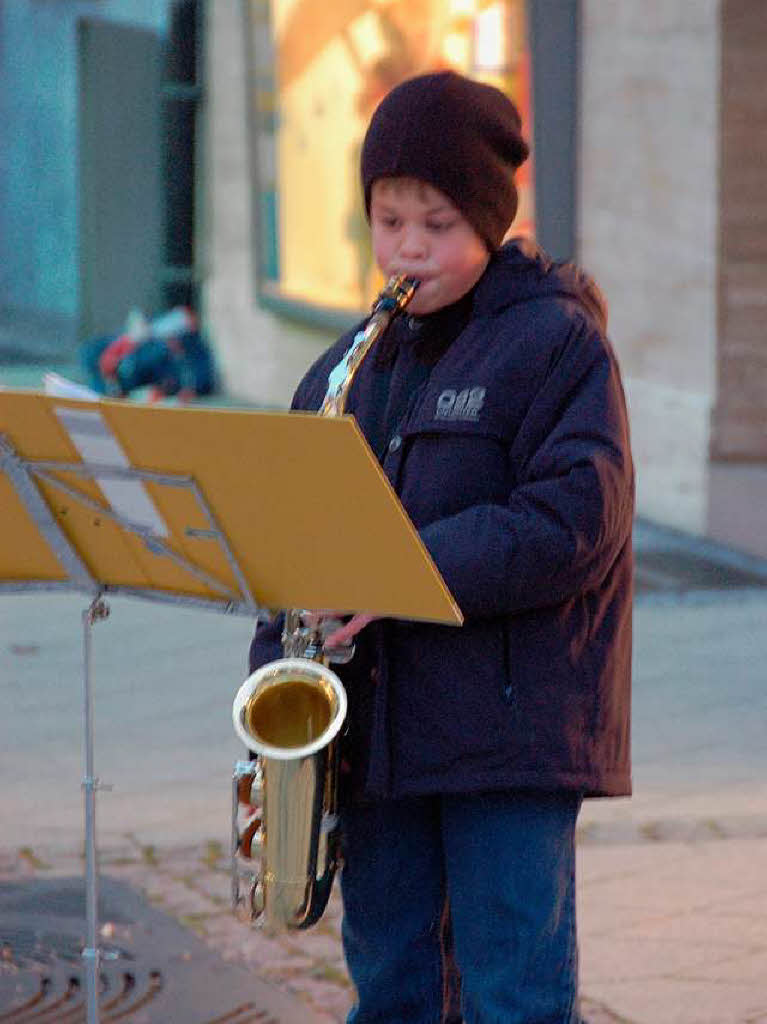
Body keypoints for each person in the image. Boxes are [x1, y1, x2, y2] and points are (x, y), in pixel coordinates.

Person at [248, 70, 634, 1024]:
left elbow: (576, 521)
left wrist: (399, 569)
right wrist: (275, 674)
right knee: (392, 990)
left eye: (436, 224)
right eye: (389, 222)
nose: (409, 248)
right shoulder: (347, 367)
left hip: (508, 737)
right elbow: (299, 544)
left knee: (513, 993)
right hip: (376, 740)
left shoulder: (556, 344)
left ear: (489, 222)